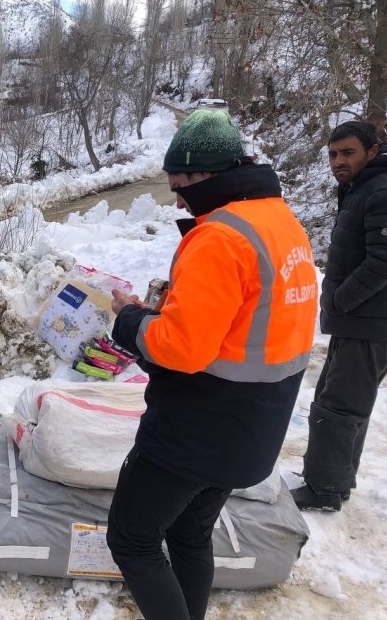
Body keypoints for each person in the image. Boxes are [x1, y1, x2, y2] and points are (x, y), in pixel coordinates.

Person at [106, 109, 318, 620]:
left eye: (180, 187)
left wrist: (130, 319)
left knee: (132, 540)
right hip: (256, 423)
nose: (178, 200)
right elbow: (247, 320)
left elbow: (182, 349)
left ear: (205, 174)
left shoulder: (219, 237)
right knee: (189, 534)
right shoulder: (279, 221)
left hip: (196, 428)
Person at [291, 123, 387, 511]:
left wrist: (341, 300)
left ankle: (324, 490)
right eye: (333, 154)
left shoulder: (385, 190)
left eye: (348, 153)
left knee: (337, 407)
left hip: (368, 321)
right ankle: (335, 480)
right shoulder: (363, 187)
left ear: (372, 151)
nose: (338, 161)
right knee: (345, 403)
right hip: (363, 319)